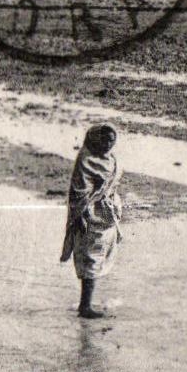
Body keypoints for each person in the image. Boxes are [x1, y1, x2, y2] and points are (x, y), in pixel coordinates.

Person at [60, 124, 123, 319]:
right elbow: (79, 192)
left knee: (100, 253)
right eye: (104, 140)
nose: (108, 144)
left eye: (112, 140)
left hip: (105, 214)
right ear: (94, 140)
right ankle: (84, 306)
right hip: (89, 216)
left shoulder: (110, 158)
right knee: (90, 258)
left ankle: (85, 303)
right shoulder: (86, 160)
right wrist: (80, 216)